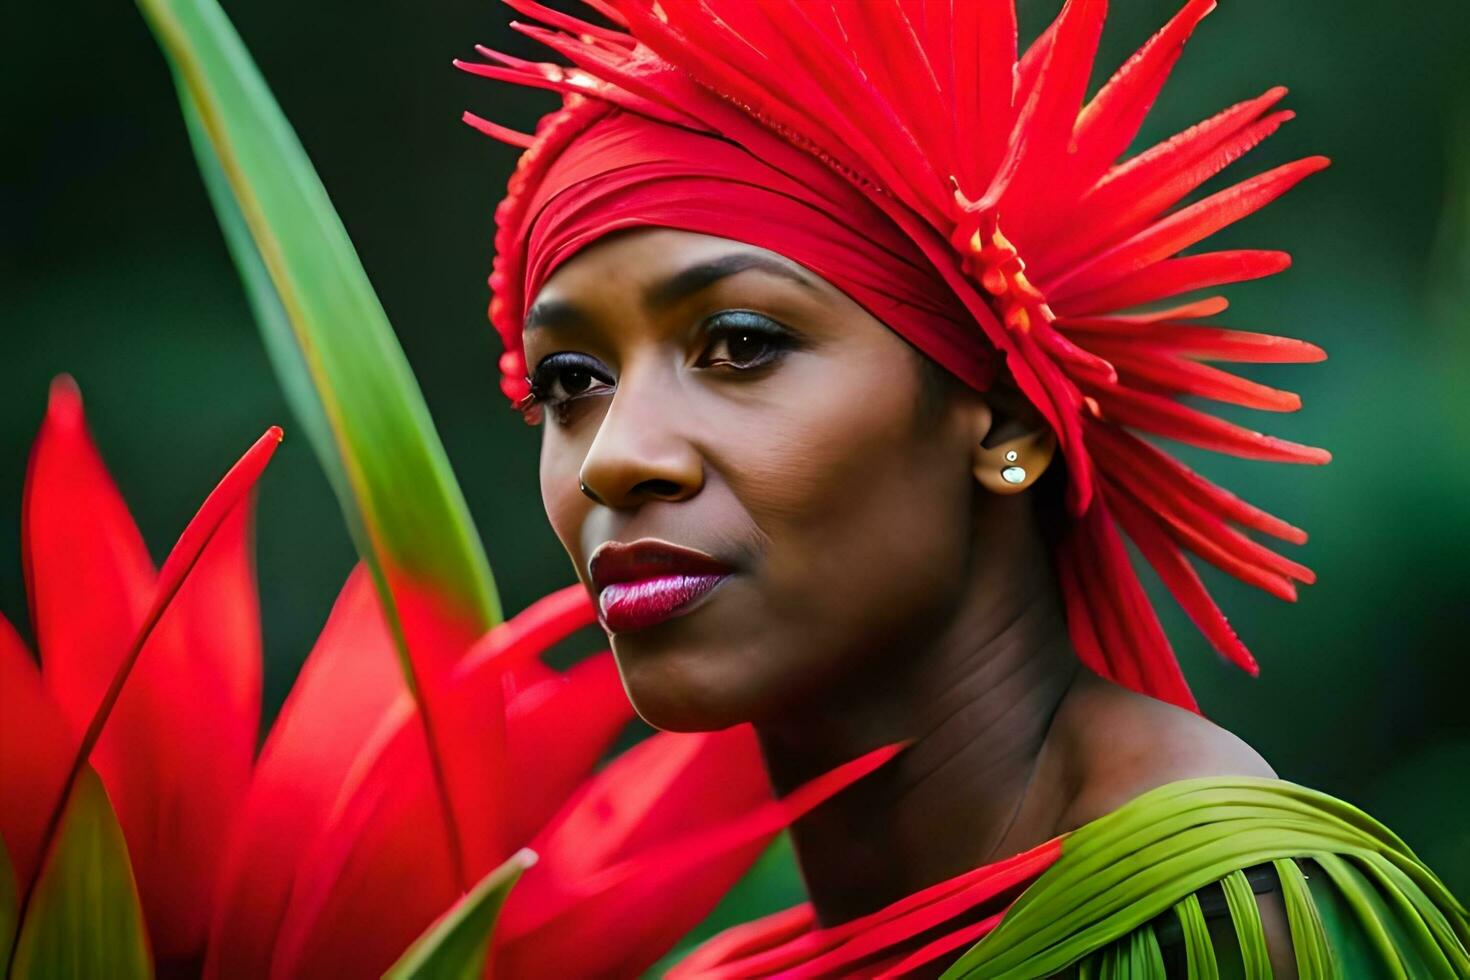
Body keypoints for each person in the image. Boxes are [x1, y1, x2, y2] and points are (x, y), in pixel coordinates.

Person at [459, 1, 1470, 975]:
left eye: (739, 344)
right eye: (570, 381)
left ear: (1007, 419)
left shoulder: (1225, 924)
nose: (612, 455)